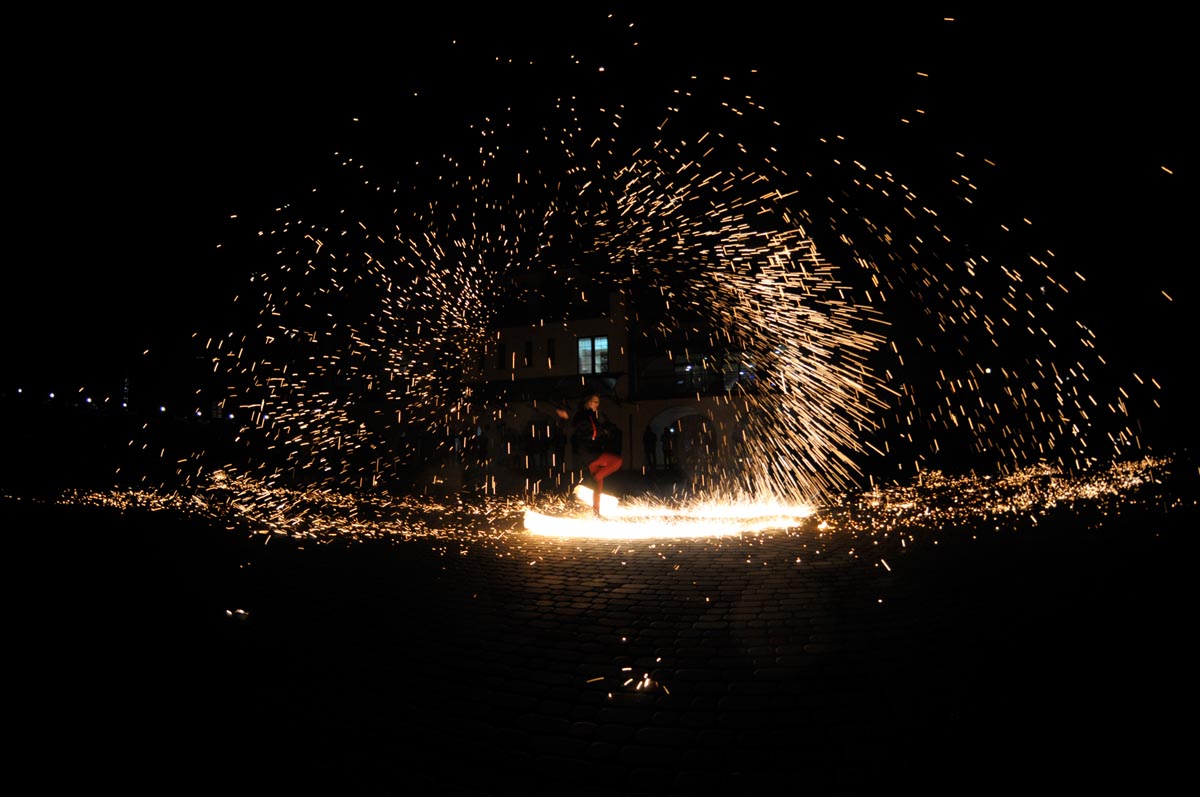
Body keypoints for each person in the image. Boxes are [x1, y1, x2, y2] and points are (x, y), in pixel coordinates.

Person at [571, 394, 622, 517]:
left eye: (598, 402)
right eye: (595, 402)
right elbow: (579, 424)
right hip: (589, 451)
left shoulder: (592, 416)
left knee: (599, 485)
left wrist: (603, 430)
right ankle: (595, 478)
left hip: (591, 452)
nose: (597, 405)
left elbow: (596, 431)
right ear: (588, 402)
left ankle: (596, 512)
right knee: (617, 461)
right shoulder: (583, 415)